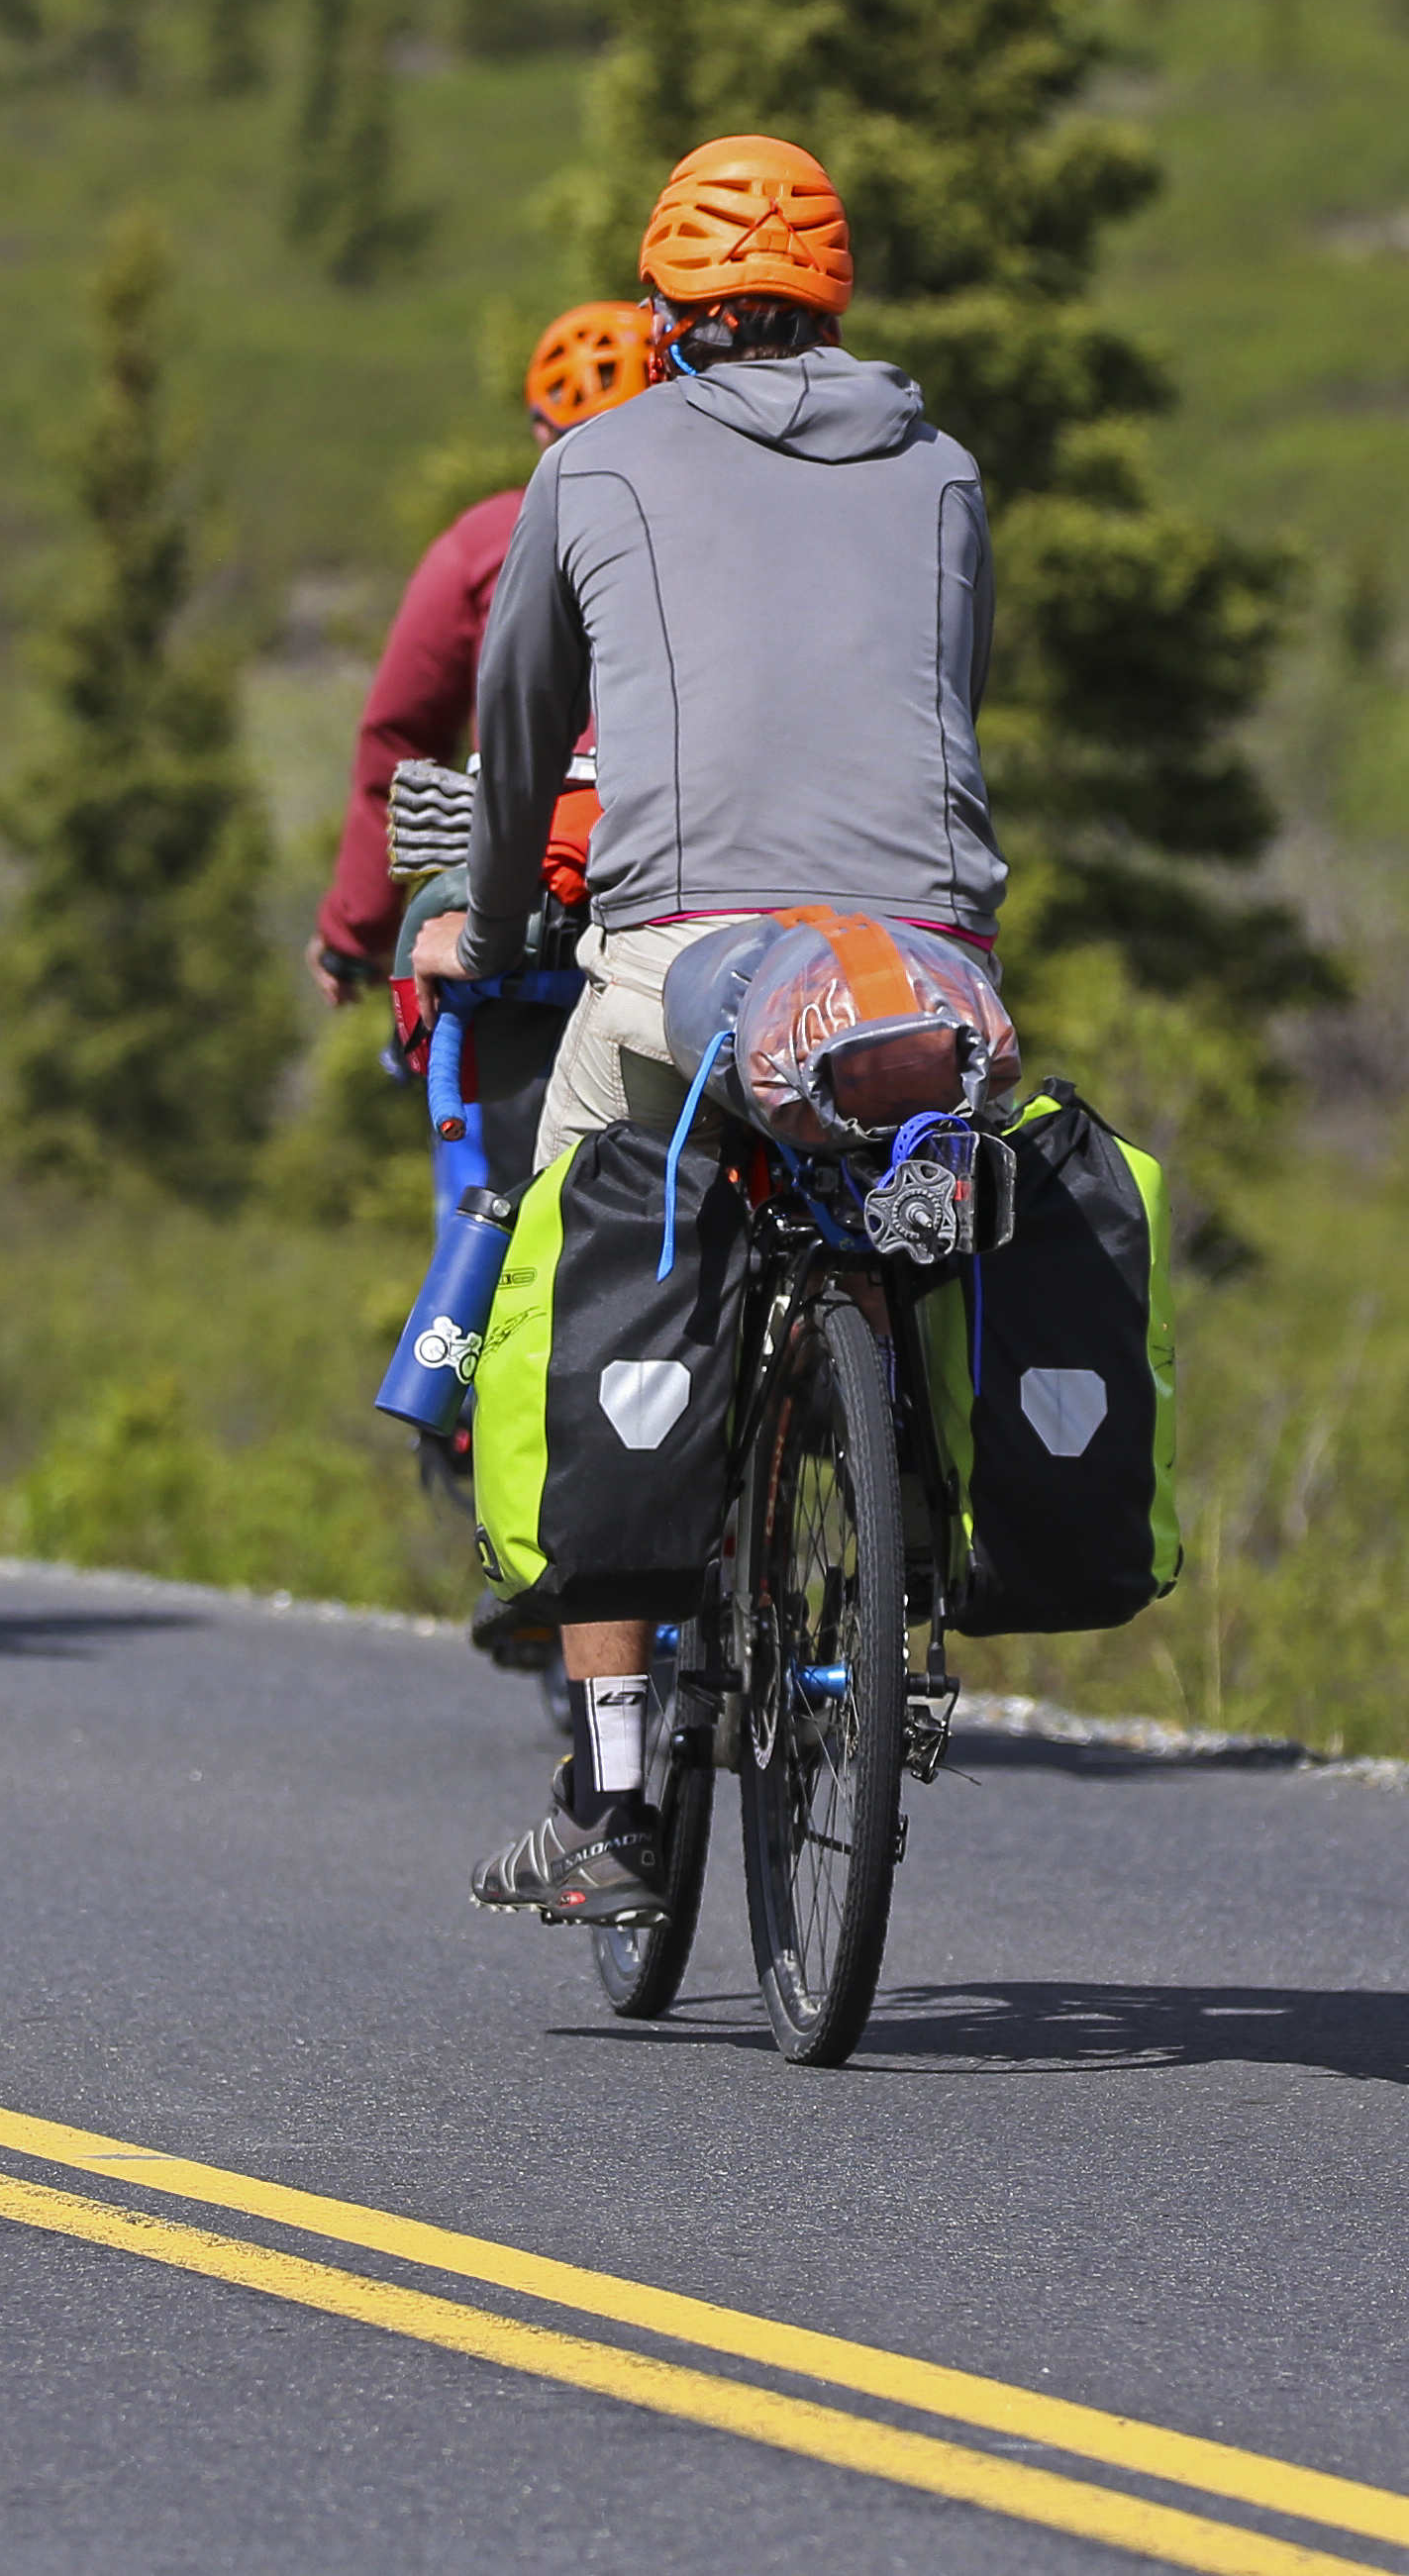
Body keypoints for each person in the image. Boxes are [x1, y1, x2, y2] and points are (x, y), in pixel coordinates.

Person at [410, 136, 1001, 1923]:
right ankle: (895, 1470)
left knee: (584, 1227)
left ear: (662, 309)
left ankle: (609, 1782)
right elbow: (944, 698)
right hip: (919, 958)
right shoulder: (947, 468)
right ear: (833, 303)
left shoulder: (591, 460)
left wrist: (503, 920)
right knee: (921, 1164)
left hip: (681, 942)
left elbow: (517, 733)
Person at [307, 300, 660, 1006]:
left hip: (527, 907)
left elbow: (400, 739)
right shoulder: (723, 528)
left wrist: (355, 931)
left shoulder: (483, 542)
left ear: (541, 429)